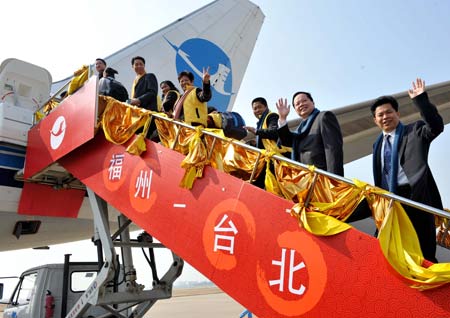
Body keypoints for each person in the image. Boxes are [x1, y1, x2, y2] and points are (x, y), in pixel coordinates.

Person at [370, 78, 443, 263]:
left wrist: (421, 100)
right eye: (380, 114)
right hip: (389, 200)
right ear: (375, 120)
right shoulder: (377, 144)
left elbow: (436, 126)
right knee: (382, 247)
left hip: (415, 197)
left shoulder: (415, 131)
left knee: (425, 252)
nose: (385, 116)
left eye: (389, 112)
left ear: (397, 113)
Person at [276, 92, 344, 176]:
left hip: (321, 177)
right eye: (297, 104)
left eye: (304, 101)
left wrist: (334, 179)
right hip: (304, 179)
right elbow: (287, 140)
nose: (301, 104)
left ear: (313, 102)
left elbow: (333, 150)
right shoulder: (300, 130)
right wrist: (282, 118)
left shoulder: (323, 117)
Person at [244, 97, 282, 188]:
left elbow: (274, 132)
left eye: (259, 107)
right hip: (265, 160)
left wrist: (256, 131)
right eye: (255, 109)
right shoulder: (261, 122)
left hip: (274, 159)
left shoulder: (272, 116)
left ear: (266, 107)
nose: (257, 110)